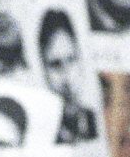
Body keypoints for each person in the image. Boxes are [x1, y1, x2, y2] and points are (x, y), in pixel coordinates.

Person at [40, 10, 99, 144]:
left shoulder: (99, 122)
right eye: (55, 65)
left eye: (71, 60)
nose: (67, 78)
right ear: (42, 69)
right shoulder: (41, 134)